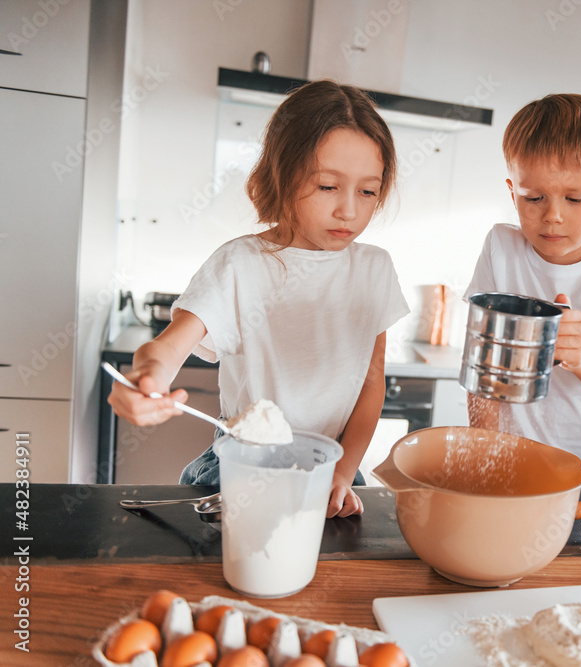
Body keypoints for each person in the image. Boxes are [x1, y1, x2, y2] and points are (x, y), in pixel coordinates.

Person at [108, 80, 409, 517]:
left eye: (368, 191)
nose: (349, 210)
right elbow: (167, 348)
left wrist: (344, 472)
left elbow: (371, 382)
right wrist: (147, 380)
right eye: (328, 186)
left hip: (334, 471)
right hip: (240, 468)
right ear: (281, 176)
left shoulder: (374, 269)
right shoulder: (240, 264)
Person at [464, 93, 581, 493]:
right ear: (513, 192)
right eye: (534, 198)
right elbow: (484, 371)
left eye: (575, 198)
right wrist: (485, 454)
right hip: (507, 470)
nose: (553, 215)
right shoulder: (501, 247)